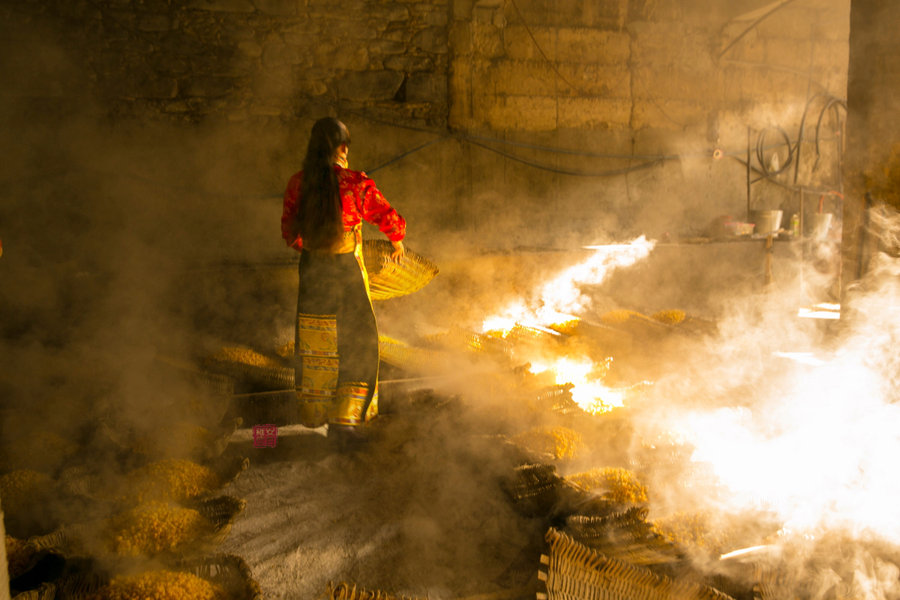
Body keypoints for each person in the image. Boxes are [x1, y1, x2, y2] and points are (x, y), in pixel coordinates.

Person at [281, 117, 406, 444]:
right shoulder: (355, 183)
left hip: (312, 272)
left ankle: (315, 415)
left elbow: (289, 232)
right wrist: (397, 240)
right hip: (346, 273)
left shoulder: (298, 183)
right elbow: (386, 215)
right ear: (342, 148)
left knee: (318, 342)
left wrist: (309, 248)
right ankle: (346, 421)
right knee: (358, 342)